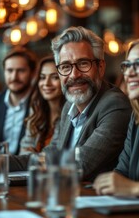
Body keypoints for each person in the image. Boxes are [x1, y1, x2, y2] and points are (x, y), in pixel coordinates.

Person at [9, 26, 131, 181]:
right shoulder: (69, 105)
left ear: (100, 67)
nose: (74, 75)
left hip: (95, 201)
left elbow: (83, 164)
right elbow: (48, 156)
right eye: (66, 66)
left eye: (83, 63)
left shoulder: (114, 105)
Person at [93, 39, 139, 196]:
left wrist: (133, 188)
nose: (129, 73)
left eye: (138, 65)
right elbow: (122, 172)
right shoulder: (136, 118)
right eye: (127, 66)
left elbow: (127, 184)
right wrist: (109, 182)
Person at [0, 46, 38, 155]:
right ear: (4, 72)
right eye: (10, 70)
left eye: (21, 71)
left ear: (33, 73)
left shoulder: (40, 103)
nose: (14, 77)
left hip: (25, 168)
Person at [19, 55, 65, 154]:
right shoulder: (36, 109)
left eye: (55, 77)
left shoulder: (71, 113)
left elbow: (56, 154)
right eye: (42, 77)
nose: (46, 83)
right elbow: (23, 150)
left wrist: (34, 155)